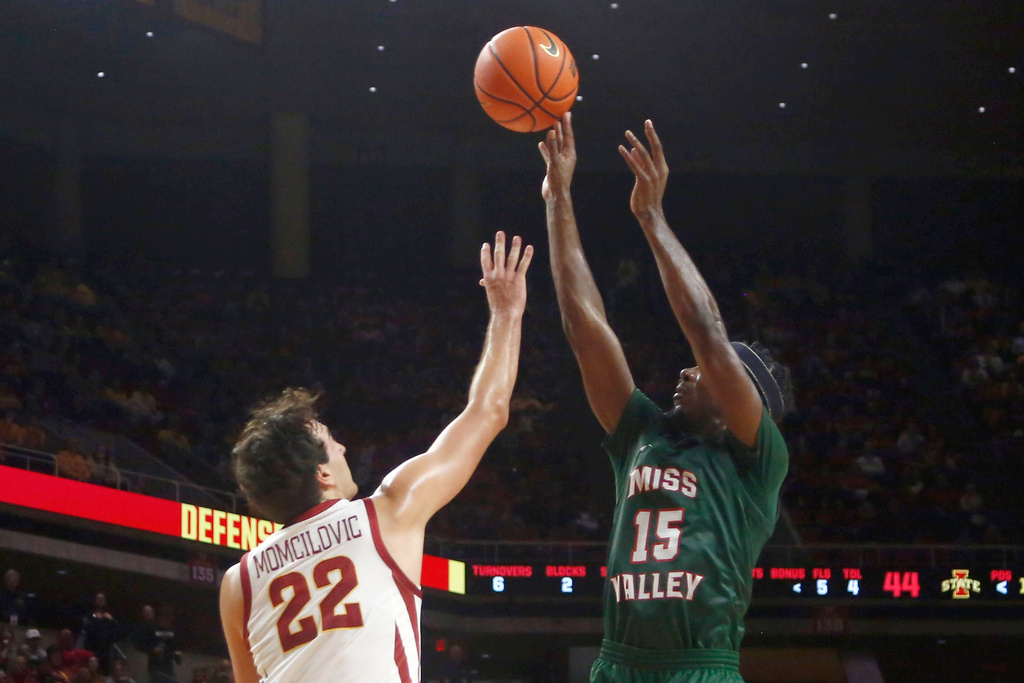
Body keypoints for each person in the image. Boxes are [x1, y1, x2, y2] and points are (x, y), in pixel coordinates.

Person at [539, 113, 793, 682]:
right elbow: (585, 328)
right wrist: (559, 197)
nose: (689, 368)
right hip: (619, 662)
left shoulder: (756, 463)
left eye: (708, 373)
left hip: (698, 669)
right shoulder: (643, 433)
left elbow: (706, 333)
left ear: (741, 404)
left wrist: (651, 216)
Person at [219, 232, 533, 682]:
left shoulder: (239, 584)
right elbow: (488, 411)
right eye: (331, 441)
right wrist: (507, 313)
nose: (343, 447)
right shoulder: (385, 515)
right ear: (322, 471)